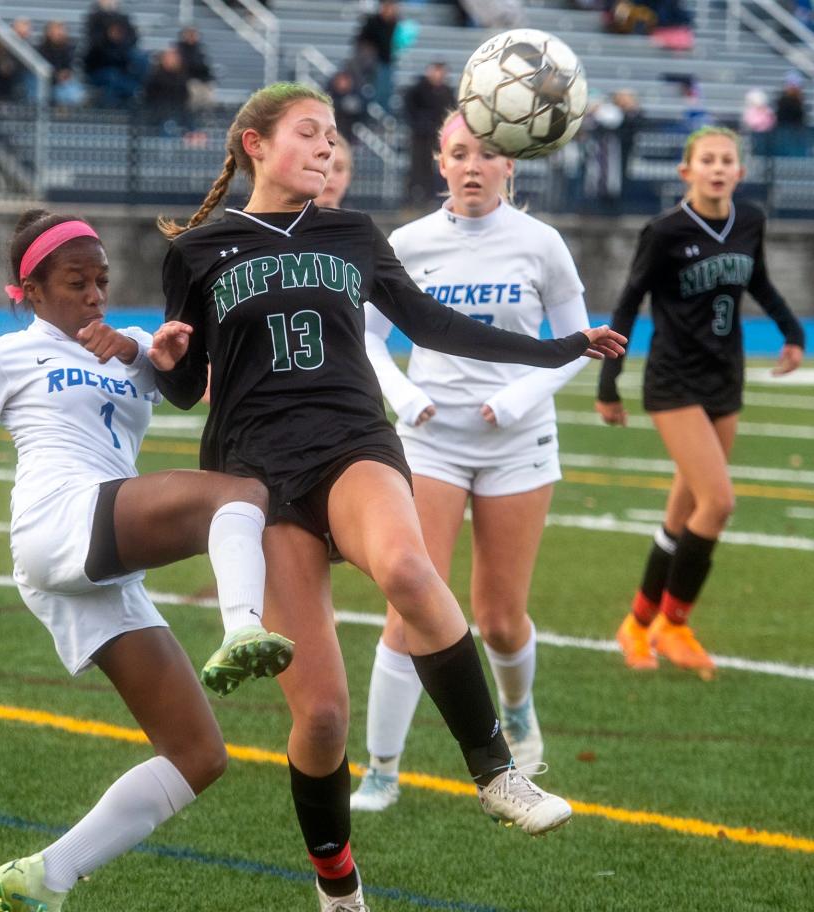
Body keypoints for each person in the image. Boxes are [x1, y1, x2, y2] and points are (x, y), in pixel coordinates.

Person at [154, 83, 626, 911]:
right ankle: (337, 886)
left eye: (333, 137)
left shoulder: (352, 233)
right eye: (309, 133)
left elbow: (430, 323)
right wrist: (165, 360)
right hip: (254, 472)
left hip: (349, 441)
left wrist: (555, 351)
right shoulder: (199, 249)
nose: (328, 148)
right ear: (255, 145)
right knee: (324, 715)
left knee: (410, 570)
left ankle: (497, 774)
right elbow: (187, 386)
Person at [0, 209, 293, 912]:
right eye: (76, 282)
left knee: (198, 755)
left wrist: (154, 353)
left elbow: (189, 387)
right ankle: (240, 627)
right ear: (31, 290)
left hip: (100, 560)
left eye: (102, 282)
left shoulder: (124, 345)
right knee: (237, 496)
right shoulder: (1, 355)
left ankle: (45, 876)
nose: (93, 295)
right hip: (59, 524)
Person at [351, 111, 592, 812]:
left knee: (498, 617)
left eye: (487, 154)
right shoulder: (407, 242)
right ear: (439, 161)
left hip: (518, 444)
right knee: (408, 603)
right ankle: (381, 769)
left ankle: (516, 714)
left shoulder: (540, 244)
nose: (473, 166)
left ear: (510, 163)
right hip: (430, 443)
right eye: (459, 153)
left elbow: (579, 340)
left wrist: (518, 397)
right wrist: (401, 392)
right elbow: (367, 338)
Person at [596, 127, 805, 678]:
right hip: (673, 383)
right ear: (686, 171)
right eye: (706, 160)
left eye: (727, 160)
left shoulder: (751, 220)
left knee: (681, 514)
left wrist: (793, 333)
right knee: (719, 503)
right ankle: (675, 623)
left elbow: (757, 280)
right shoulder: (664, 231)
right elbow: (627, 304)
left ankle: (638, 625)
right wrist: (607, 382)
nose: (717, 168)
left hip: (725, 379)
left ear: (739, 171)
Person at [403, 62, 456, 205]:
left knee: (434, 167)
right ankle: (411, 198)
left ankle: (430, 196)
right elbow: (408, 108)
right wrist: (418, 123)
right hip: (419, 137)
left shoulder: (446, 92)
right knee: (416, 166)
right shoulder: (418, 89)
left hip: (436, 136)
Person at [37, 20, 86, 107]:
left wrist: (66, 74)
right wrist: (56, 76)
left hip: (65, 83)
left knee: (75, 91)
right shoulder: (42, 49)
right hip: (49, 84)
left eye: (61, 29)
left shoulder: (68, 49)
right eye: (57, 30)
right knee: (61, 94)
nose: (59, 33)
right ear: (49, 32)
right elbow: (43, 69)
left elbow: (70, 66)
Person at [315, 134, 353, 209]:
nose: (330, 177)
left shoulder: (356, 220)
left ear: (349, 176)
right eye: (322, 167)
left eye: (339, 169)